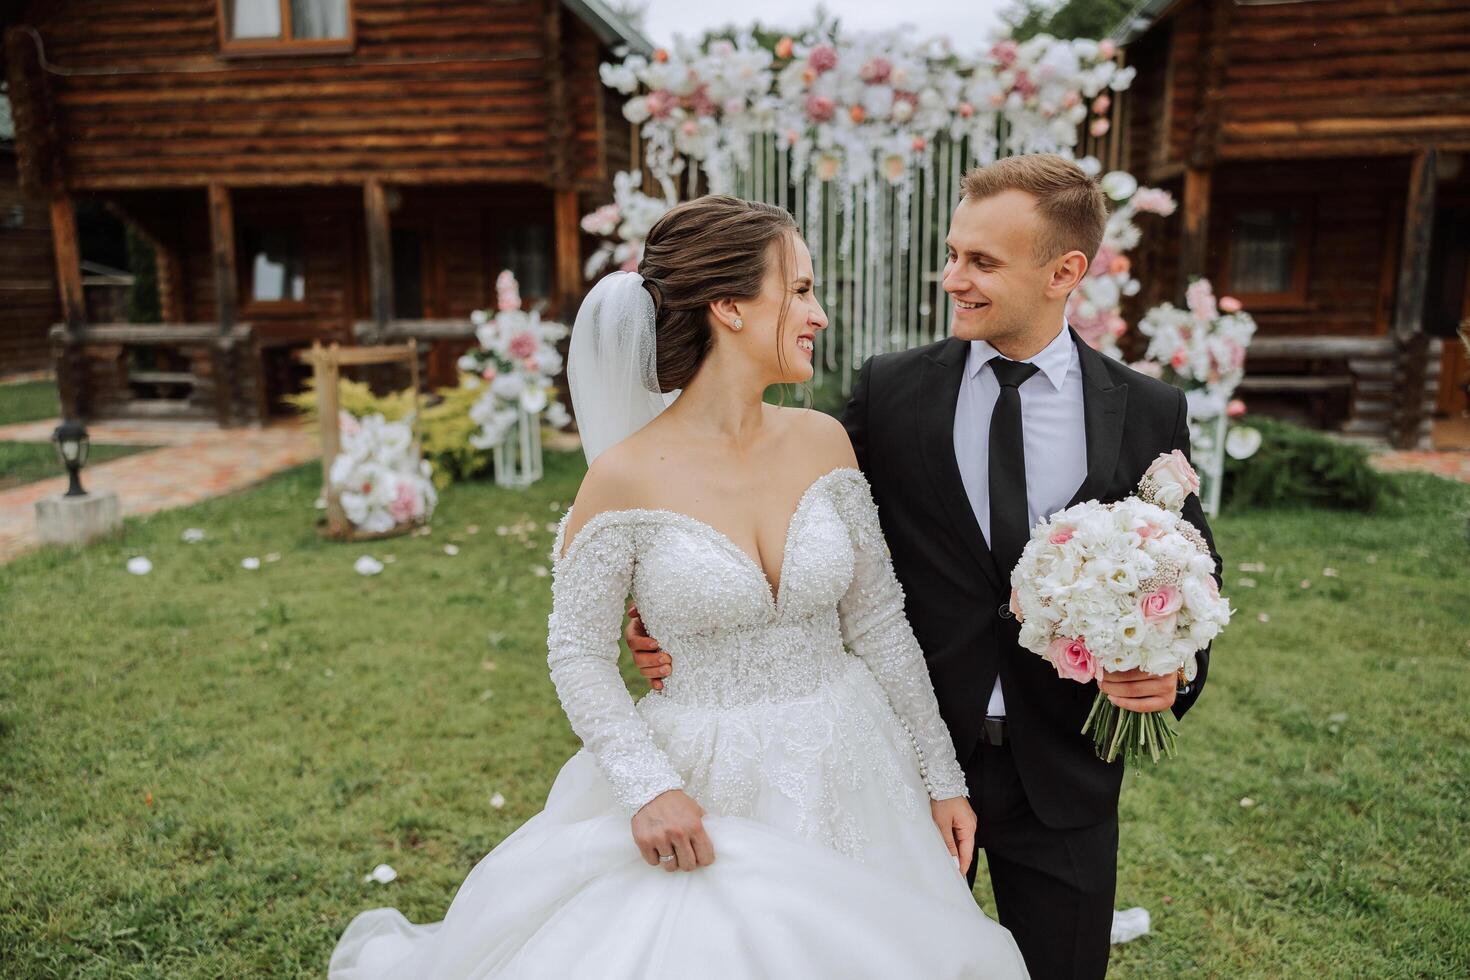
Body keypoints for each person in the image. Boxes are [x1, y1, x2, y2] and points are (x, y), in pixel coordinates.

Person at [328, 195, 1028, 979]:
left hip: (856, 760)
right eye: (798, 290)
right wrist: (648, 788)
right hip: (706, 775)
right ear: (727, 306)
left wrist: (939, 777)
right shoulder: (621, 478)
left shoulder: (824, 441)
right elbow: (578, 652)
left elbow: (879, 622)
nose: (819, 313)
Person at [631, 155, 1220, 980]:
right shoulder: (894, 392)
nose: (954, 279)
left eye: (981, 262)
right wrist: (661, 611)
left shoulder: (1146, 410)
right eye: (952, 254)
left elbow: (1190, 568)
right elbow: (772, 508)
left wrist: (1174, 672)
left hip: (1066, 774)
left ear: (1065, 272)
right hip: (902, 761)